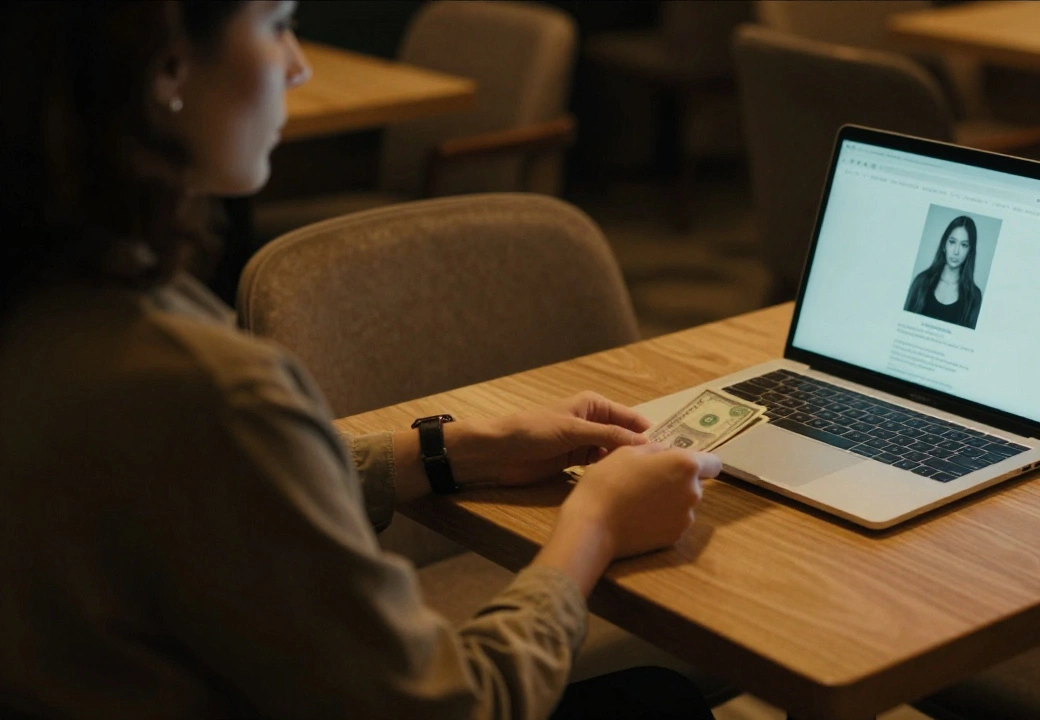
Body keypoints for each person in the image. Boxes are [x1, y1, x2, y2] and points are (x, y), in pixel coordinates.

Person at [0, 2, 721, 718]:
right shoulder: (209, 387)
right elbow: (453, 708)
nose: (299, 65)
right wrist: (596, 524)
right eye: (277, 25)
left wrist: (451, 451)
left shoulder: (58, 305)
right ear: (166, 67)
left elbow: (201, 481)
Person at [903, 215, 984, 329]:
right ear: (944, 245)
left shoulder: (974, 296)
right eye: (952, 242)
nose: (956, 251)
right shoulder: (921, 282)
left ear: (970, 251)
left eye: (964, 245)